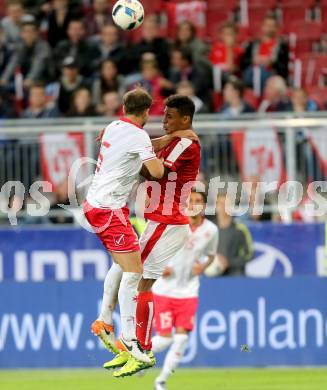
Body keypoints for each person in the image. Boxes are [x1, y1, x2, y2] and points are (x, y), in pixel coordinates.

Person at [84, 89, 196, 374]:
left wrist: (138, 153)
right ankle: (129, 341)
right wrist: (157, 144)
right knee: (131, 273)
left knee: (131, 274)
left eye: (170, 117)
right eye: (162, 116)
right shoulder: (146, 137)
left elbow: (155, 171)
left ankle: (124, 336)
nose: (164, 122)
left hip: (165, 221)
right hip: (139, 215)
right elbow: (154, 164)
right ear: (146, 111)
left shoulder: (118, 127)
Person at [151, 189, 218, 390]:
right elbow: (153, 248)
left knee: (181, 338)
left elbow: (211, 255)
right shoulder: (174, 223)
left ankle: (161, 381)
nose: (194, 204)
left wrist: (203, 266)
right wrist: (160, 266)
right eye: (191, 200)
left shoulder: (211, 230)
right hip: (164, 290)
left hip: (188, 291)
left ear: (203, 205)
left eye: (198, 201)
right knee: (164, 340)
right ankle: (139, 354)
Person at [205, 192, 253, 277]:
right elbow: (200, 251)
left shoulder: (240, 228)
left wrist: (229, 262)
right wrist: (212, 260)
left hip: (235, 274)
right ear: (216, 206)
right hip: (212, 274)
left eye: (226, 204)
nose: (223, 207)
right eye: (220, 203)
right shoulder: (208, 228)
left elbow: (249, 254)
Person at [2, 16, 53, 88]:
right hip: (27, 80)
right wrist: (4, 78)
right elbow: (13, 62)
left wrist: (30, 79)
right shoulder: (21, 46)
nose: (28, 35)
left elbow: (38, 64)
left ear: (36, 33)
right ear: (21, 34)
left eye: (31, 32)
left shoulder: (44, 46)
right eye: (25, 32)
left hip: (46, 80)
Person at [242, 14, 289, 90]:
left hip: (271, 75)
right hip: (252, 74)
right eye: (267, 25)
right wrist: (253, 60)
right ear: (262, 27)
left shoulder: (282, 46)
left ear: (276, 28)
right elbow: (244, 63)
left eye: (272, 26)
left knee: (262, 73)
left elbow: (284, 69)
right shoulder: (253, 44)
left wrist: (271, 63)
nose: (269, 28)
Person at [209, 21, 244, 87]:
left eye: (230, 34)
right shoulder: (216, 47)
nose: (227, 36)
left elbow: (231, 68)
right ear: (221, 35)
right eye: (225, 34)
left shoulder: (239, 49)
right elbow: (210, 64)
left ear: (236, 35)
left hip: (228, 76)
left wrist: (229, 47)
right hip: (214, 75)